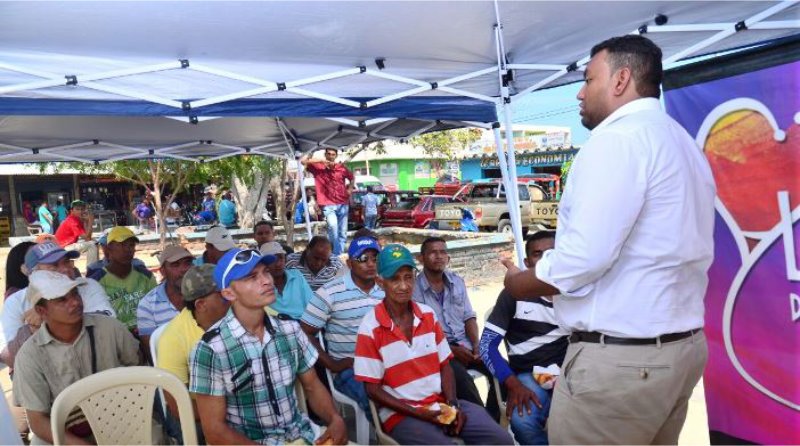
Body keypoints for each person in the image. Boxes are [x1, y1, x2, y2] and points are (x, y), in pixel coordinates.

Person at [502, 35, 714, 445]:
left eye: (588, 79)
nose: (579, 93)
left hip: (623, 362)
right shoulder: (682, 142)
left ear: (621, 79)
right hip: (679, 351)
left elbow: (582, 259)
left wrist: (518, 283)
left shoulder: (617, 140)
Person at [354, 244, 513, 445]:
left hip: (439, 403)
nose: (404, 286)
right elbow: (372, 390)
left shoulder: (427, 315)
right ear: (380, 282)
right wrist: (419, 413)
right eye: (394, 279)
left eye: (408, 277)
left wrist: (452, 404)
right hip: (401, 415)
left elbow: (445, 366)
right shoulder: (370, 327)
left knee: (502, 439)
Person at [189, 249, 348, 445]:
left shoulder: (289, 329)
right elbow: (214, 430)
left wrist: (334, 418)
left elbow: (312, 385)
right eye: (252, 277)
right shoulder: (211, 349)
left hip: (301, 434)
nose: (266, 281)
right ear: (229, 293)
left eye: (266, 272)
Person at [12, 270, 141, 445]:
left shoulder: (110, 327)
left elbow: (138, 369)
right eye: (62, 300)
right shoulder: (29, 356)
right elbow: (37, 421)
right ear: (42, 311)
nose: (75, 302)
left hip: (122, 419)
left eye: (75, 294)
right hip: (67, 434)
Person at [480, 231, 569, 445]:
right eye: (538, 254)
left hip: (572, 371)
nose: (546, 259)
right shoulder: (515, 294)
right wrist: (513, 384)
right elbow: (486, 346)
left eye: (552, 252)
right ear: (528, 263)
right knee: (524, 422)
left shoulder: (576, 293)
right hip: (530, 374)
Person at [412, 237, 495, 417]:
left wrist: (476, 345)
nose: (439, 256)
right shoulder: (414, 290)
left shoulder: (457, 281)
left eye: (443, 252)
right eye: (433, 252)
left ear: (448, 257)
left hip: (466, 344)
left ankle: (493, 417)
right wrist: (452, 351)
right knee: (463, 381)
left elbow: (469, 317)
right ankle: (481, 421)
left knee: (501, 369)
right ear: (421, 258)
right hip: (439, 351)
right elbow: (421, 335)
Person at [300, 236, 384, 412]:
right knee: (380, 401)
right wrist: (332, 364)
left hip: (387, 364)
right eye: (363, 258)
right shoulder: (330, 292)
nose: (371, 264)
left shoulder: (387, 289)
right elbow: (303, 333)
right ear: (349, 264)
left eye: (375, 258)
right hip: (350, 370)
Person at [1, 242, 116, 371]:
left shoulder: (88, 286)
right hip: (45, 374)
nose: (65, 269)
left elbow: (108, 326)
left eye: (67, 262)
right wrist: (31, 329)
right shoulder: (15, 302)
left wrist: (48, 319)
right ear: (32, 273)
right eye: (54, 266)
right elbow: (9, 358)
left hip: (94, 367)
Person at [157, 264, 229, 443]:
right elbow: (178, 406)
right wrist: (230, 412)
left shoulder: (241, 313)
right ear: (201, 305)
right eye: (222, 294)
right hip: (200, 414)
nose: (231, 295)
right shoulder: (173, 338)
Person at [88, 226, 158, 330]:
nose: (128, 249)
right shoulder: (96, 282)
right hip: (114, 336)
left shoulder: (146, 276)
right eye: (122, 245)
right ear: (109, 248)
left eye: (131, 245)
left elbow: (156, 309)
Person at [136, 245, 194, 352]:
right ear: (163, 271)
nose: (183, 269)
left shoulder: (205, 294)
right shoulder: (148, 305)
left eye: (187, 263)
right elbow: (152, 351)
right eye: (175, 265)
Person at [300, 148, 354, 256]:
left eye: (333, 154)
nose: (331, 156)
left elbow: (352, 177)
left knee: (343, 232)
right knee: (333, 227)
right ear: (325, 155)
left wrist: (350, 189)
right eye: (328, 154)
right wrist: (320, 160)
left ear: (336, 156)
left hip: (343, 203)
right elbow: (302, 161)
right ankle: (336, 255)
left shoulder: (341, 167)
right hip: (328, 205)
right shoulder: (318, 167)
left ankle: (337, 254)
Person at [260, 242, 314, 320]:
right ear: (263, 264)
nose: (278, 264)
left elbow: (311, 303)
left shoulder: (296, 275)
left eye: (281, 258)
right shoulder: (261, 284)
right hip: (277, 325)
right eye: (273, 260)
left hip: (304, 322)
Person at [53, 200, 97, 264]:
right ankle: (92, 268)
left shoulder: (76, 219)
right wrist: (90, 222)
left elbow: (88, 238)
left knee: (93, 242)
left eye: (82, 209)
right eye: (77, 209)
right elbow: (86, 237)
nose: (80, 211)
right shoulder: (72, 221)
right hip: (61, 249)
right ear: (72, 211)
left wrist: (86, 221)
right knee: (92, 245)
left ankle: (93, 267)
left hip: (65, 247)